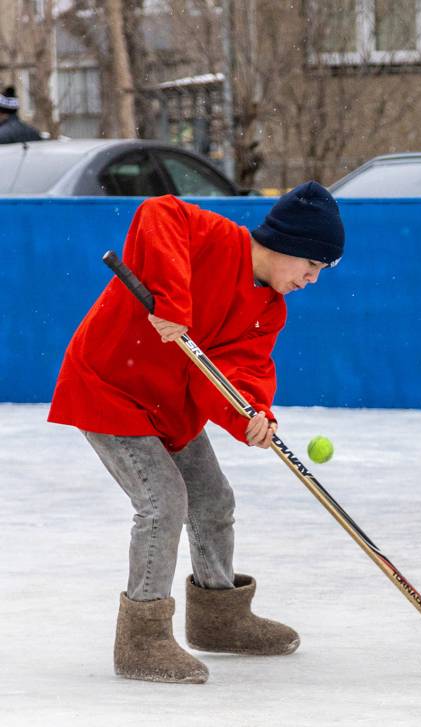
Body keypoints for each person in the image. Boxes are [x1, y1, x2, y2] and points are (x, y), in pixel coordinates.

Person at [48, 182, 345, 684]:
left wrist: (251, 415)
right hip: (110, 386)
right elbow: (156, 212)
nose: (312, 279)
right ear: (286, 245)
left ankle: (218, 617)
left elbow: (235, 374)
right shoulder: (213, 238)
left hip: (173, 405)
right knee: (164, 502)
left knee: (213, 500)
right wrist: (173, 301)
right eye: (311, 266)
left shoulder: (269, 309)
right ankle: (142, 639)